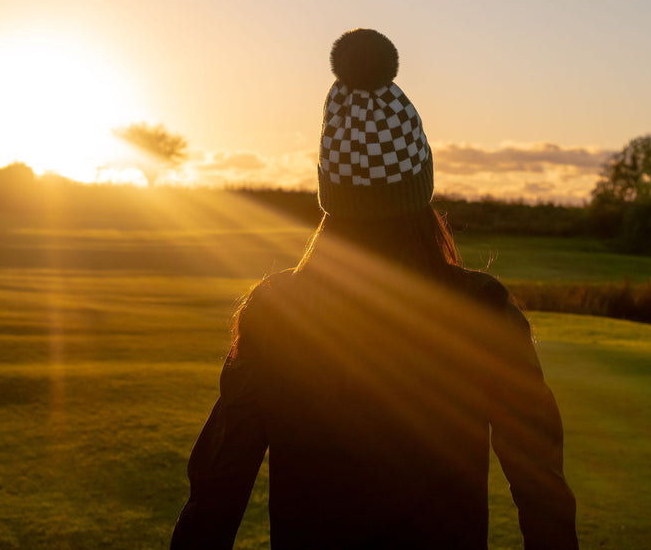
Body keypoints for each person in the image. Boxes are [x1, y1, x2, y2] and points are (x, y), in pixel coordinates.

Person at [171, 29, 578, 549]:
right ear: (421, 184)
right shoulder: (482, 308)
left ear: (329, 191)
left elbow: (216, 490)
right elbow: (541, 489)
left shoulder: (274, 312)